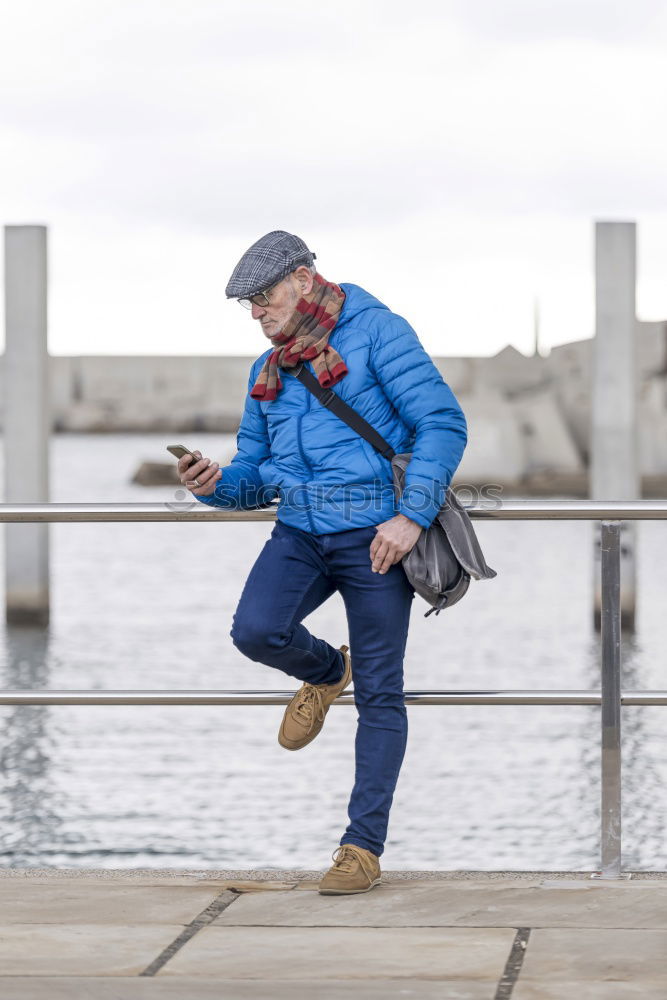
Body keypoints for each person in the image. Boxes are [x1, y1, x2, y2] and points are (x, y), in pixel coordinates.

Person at [176, 230, 467, 894]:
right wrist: (214, 484)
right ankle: (326, 671)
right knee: (256, 631)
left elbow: (442, 424)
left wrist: (410, 515)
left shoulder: (379, 332)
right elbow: (256, 476)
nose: (255, 313)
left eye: (261, 297)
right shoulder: (267, 369)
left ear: (303, 280)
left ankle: (360, 849)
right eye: (247, 304)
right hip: (301, 533)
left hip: (376, 538)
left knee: (383, 693)